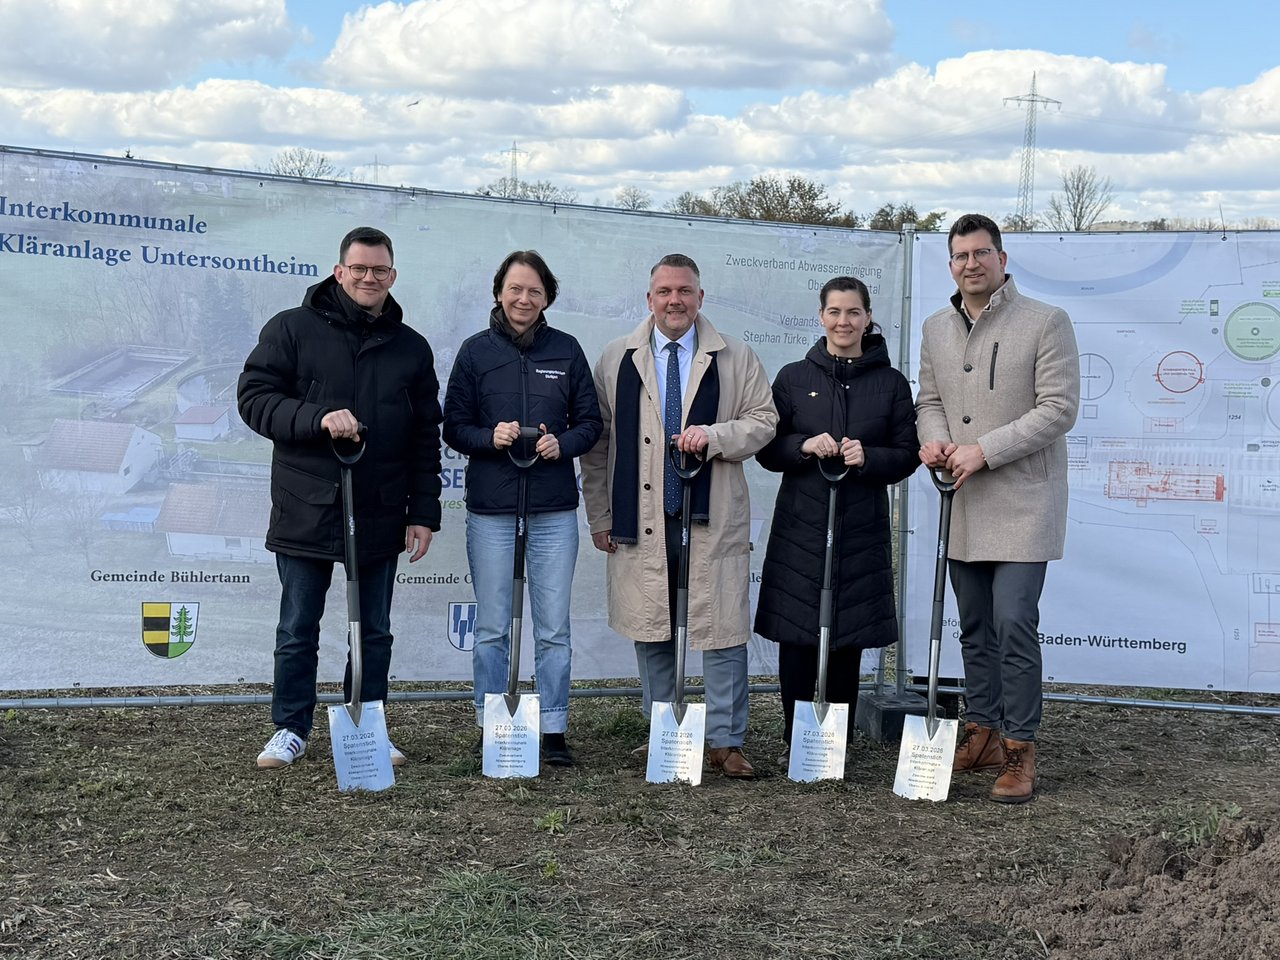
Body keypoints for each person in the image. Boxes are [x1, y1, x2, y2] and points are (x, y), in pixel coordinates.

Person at [238, 226, 443, 769]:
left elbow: (426, 437)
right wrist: (315, 418)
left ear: (392, 277)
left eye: (380, 270)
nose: (369, 278)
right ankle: (290, 727)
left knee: (372, 630)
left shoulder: (411, 348)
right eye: (359, 268)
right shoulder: (292, 330)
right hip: (306, 505)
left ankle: (364, 721)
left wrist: (423, 512)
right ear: (339, 271)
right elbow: (255, 399)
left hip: (378, 507)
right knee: (298, 625)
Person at [581, 253, 778, 779]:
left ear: (700, 297)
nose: (675, 300)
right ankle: (664, 731)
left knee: (722, 628)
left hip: (711, 518)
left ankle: (724, 740)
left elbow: (764, 422)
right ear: (650, 299)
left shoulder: (735, 356)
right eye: (665, 291)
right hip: (641, 517)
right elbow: (597, 445)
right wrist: (600, 513)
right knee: (653, 627)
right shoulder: (616, 358)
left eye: (685, 291)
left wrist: (714, 437)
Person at [916, 213, 1080, 803]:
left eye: (981, 253)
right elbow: (929, 399)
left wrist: (985, 450)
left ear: (1002, 259)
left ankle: (1020, 747)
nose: (971, 263)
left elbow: (1058, 409)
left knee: (1013, 622)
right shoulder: (937, 326)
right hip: (961, 499)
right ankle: (981, 729)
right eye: (960, 255)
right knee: (976, 626)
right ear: (951, 263)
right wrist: (933, 440)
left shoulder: (1045, 322)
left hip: (1021, 501)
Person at [442, 250, 602, 766]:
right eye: (515, 288)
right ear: (498, 292)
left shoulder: (567, 350)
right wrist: (490, 437)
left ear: (547, 297)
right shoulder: (475, 352)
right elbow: (454, 426)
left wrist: (566, 445)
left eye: (534, 290)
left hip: (553, 509)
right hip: (492, 509)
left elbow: (590, 424)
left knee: (553, 628)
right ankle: (495, 723)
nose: (523, 299)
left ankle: (552, 729)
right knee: (491, 627)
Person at [754, 276, 918, 763]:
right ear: (821, 317)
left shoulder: (890, 383)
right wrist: (803, 445)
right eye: (834, 312)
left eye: (853, 312)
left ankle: (834, 744)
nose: (843, 321)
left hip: (860, 524)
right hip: (801, 524)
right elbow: (767, 448)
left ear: (868, 318)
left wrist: (867, 456)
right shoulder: (792, 377)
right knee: (798, 635)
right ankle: (795, 740)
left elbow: (906, 455)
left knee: (847, 637)